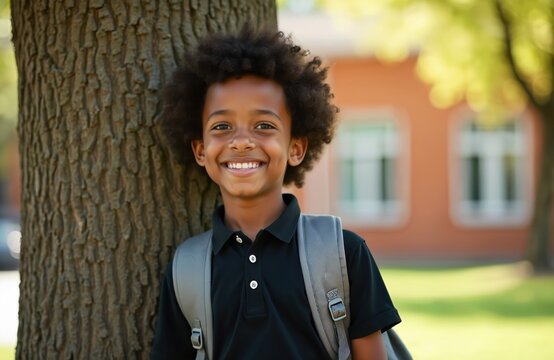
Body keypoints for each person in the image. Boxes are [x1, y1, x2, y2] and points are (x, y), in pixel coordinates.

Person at [151, 25, 401, 360]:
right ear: (200, 150)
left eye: (264, 126)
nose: (240, 141)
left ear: (296, 148)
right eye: (221, 127)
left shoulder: (344, 252)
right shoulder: (186, 269)